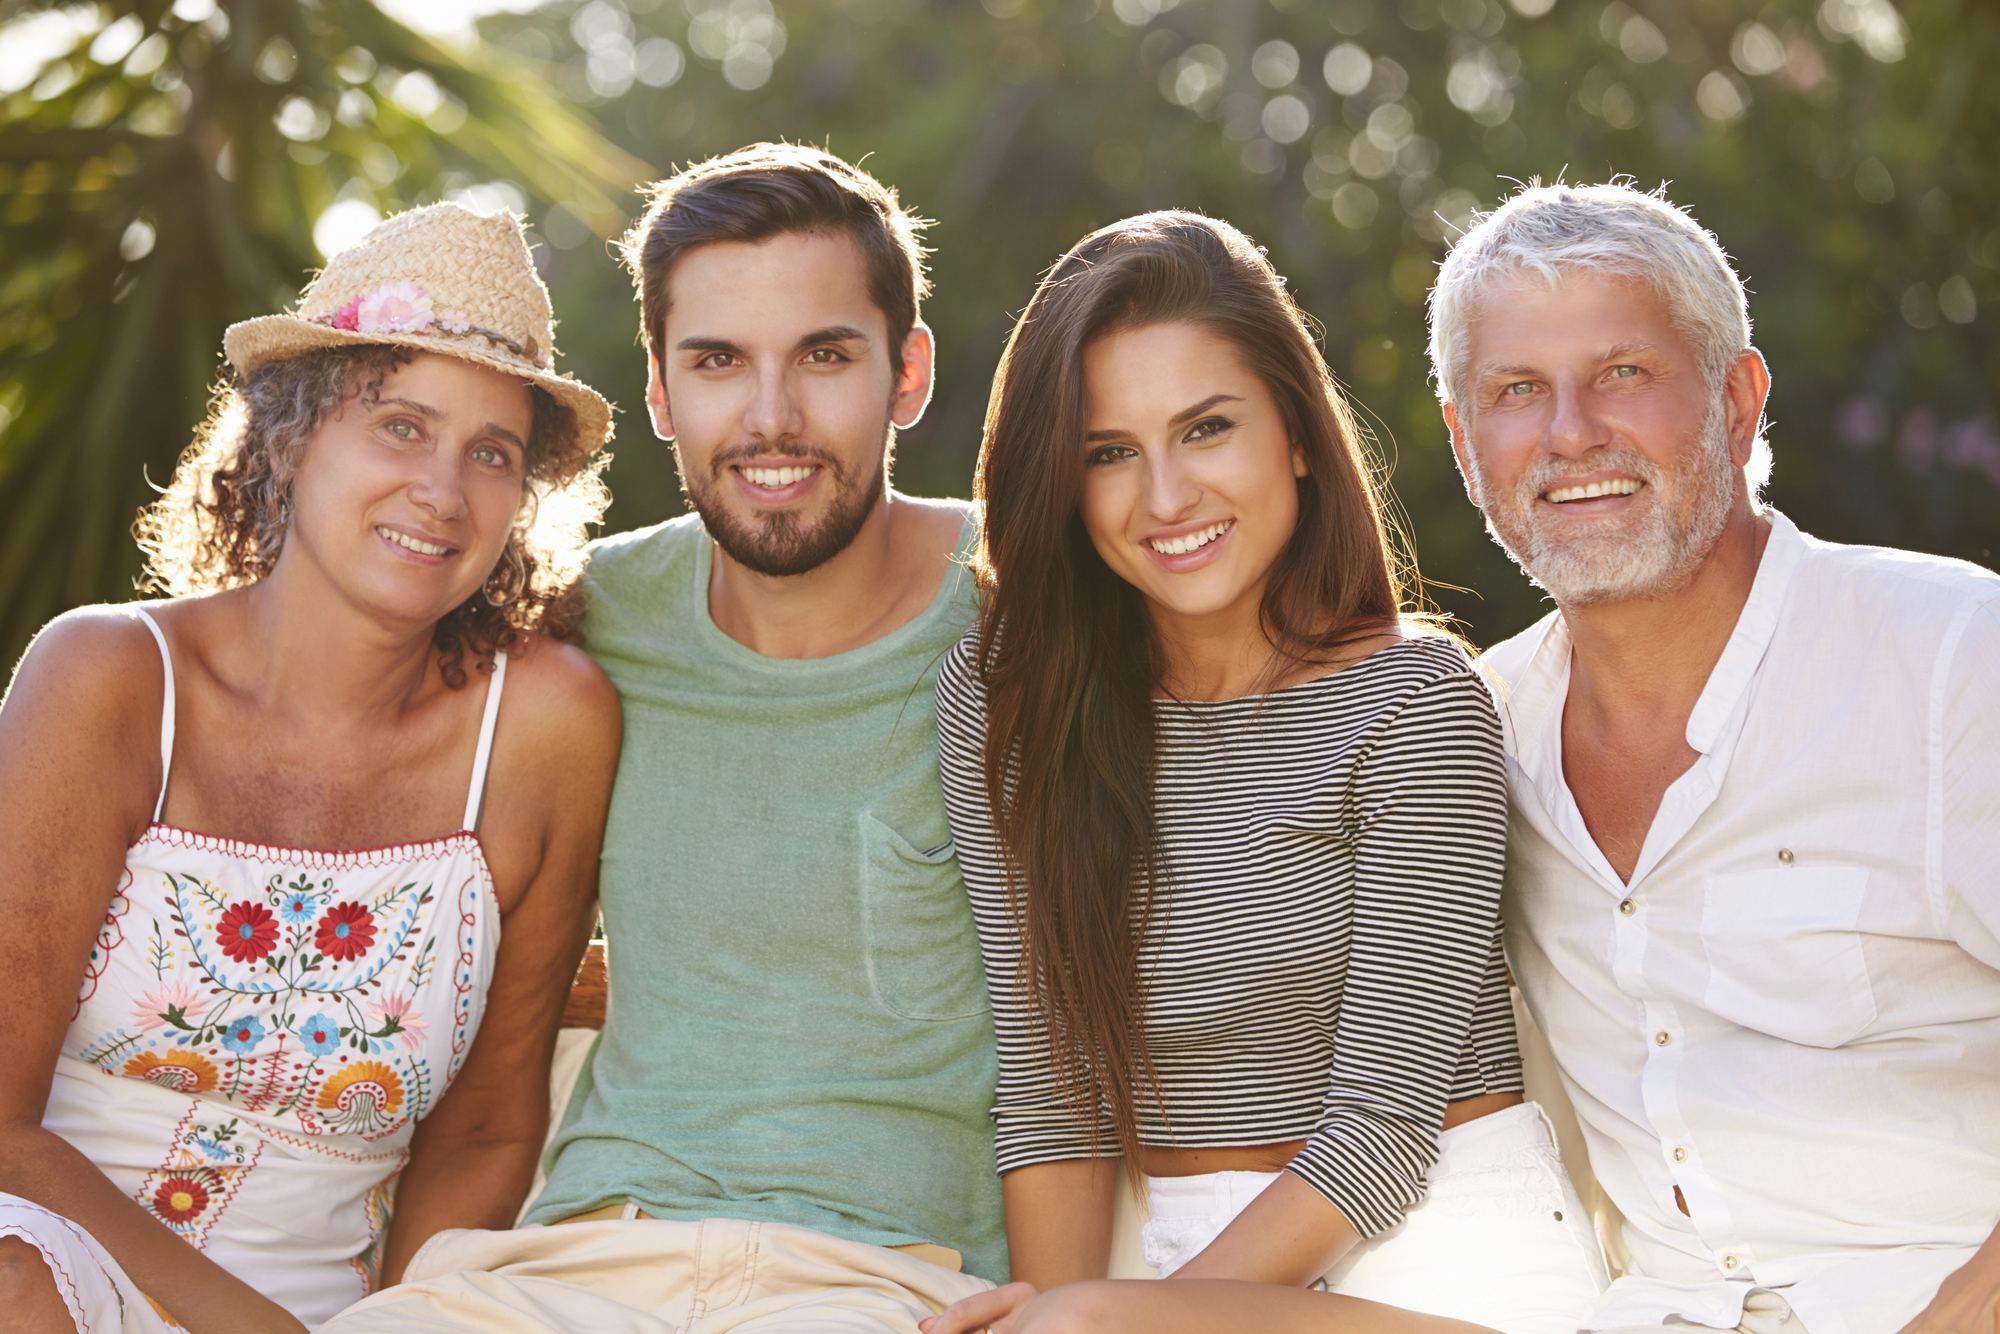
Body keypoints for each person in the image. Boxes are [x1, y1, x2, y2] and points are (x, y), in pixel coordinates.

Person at [318, 145, 1004, 1334]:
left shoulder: (1027, 605)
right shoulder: (590, 619)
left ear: (908, 372)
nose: (771, 416)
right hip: (579, 1258)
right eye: (718, 362)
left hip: (885, 1276)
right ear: (657, 389)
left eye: (824, 356)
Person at [922, 211, 1607, 1334]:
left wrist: (1100, 1324)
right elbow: (1055, 1098)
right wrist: (1063, 1310)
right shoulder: (1009, 704)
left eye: (1205, 429)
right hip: (1173, 1272)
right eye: (1106, 452)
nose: (1163, 496)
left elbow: (1382, 1131)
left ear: (1293, 431)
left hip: (1442, 1249)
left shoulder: (1413, 700)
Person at [0, 202, 622, 1334]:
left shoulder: (542, 724)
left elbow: (485, 1128)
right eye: (399, 425)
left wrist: (402, 1321)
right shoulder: (110, 678)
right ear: (287, 437)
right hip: (45, 1256)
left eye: (491, 452)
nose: (443, 489)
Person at [1428, 180, 2000, 1334]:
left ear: (1736, 402)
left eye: (1622, 373)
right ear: (1460, 440)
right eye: (1514, 391)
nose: (1568, 432)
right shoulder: (1470, 730)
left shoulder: (1948, 656)